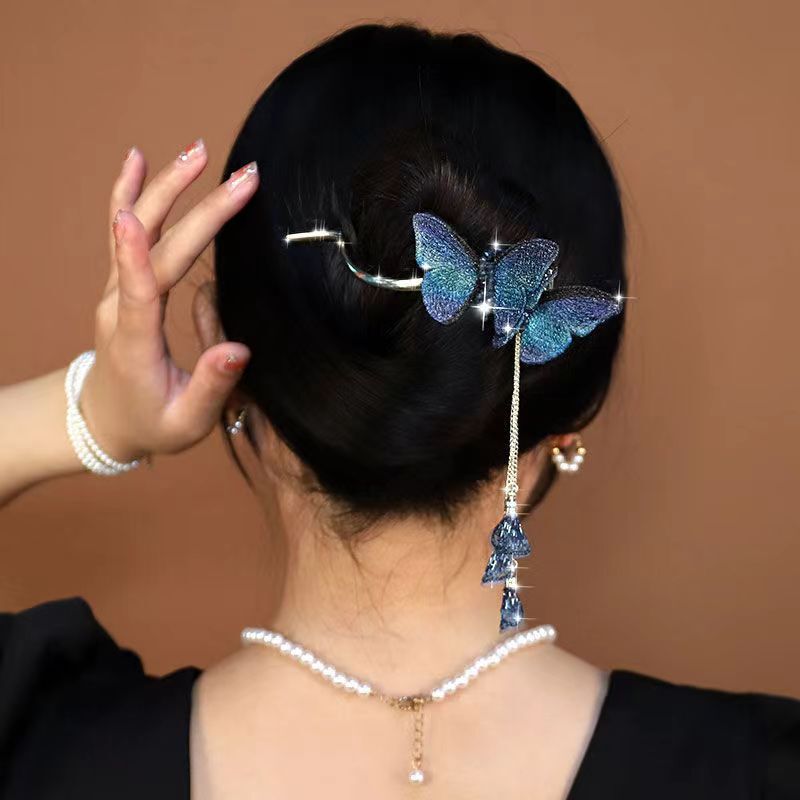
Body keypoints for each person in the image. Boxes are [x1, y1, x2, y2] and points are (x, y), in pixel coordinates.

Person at [1, 22, 798, 800]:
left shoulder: (42, 747)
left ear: (225, 358)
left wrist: (93, 417)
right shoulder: (762, 770)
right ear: (569, 406)